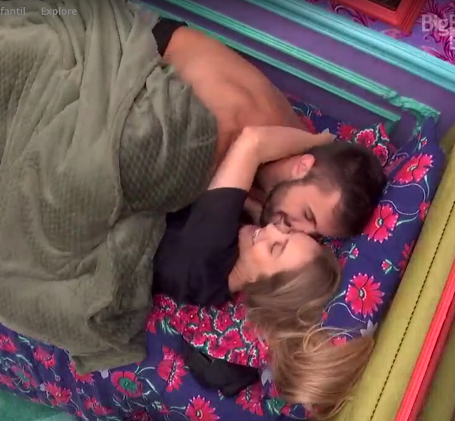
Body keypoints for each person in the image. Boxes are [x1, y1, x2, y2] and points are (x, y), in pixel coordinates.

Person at [0, 13, 383, 418]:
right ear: (303, 166)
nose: (283, 226)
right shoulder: (233, 205)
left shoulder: (219, 249)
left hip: (124, 81)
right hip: (122, 61)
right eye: (299, 220)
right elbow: (219, 164)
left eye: (290, 238)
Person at [154, 126, 377, 418]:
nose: (273, 229)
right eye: (290, 234)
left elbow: (252, 140)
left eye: (276, 248)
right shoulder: (225, 264)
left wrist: (320, 140)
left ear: (263, 284)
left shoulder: (204, 258)